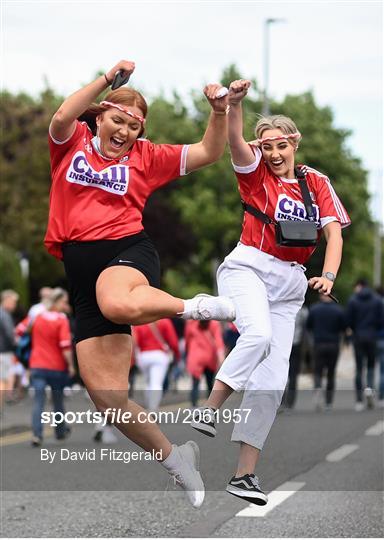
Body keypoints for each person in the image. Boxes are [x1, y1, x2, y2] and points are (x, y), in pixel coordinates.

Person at [44, 58, 235, 508]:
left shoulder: (147, 157)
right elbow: (59, 116)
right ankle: (176, 460)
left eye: (133, 126)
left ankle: (196, 306)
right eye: (116, 119)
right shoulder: (70, 143)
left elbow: (209, 152)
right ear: (99, 117)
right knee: (109, 400)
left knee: (116, 303)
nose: (124, 131)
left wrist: (220, 112)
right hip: (79, 268)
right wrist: (108, 79)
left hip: (125, 251)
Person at [190, 79, 350, 505]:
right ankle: (209, 406)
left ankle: (244, 475)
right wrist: (235, 106)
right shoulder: (255, 173)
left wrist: (328, 276)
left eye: (281, 145)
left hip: (291, 281)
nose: (274, 154)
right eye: (267, 146)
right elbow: (236, 142)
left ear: (294, 143)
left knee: (272, 381)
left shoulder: (315, 181)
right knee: (257, 336)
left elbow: (333, 234)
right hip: (249, 267)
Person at [16, 288, 75, 446]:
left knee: (38, 402)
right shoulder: (61, 319)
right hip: (56, 367)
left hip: (37, 365)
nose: (66, 304)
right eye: (64, 301)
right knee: (58, 401)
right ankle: (60, 431)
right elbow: (65, 346)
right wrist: (71, 365)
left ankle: (37, 434)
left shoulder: (38, 317)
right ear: (57, 302)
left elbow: (20, 331)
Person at [346, 279, 384, 411]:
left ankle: (358, 400)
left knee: (359, 368)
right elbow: (381, 320)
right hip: (372, 337)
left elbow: (348, 320)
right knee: (371, 367)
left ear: (359, 286)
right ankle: (369, 390)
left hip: (358, 337)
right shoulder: (377, 300)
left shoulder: (353, 300)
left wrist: (355, 329)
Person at [306, 294, 346, 411]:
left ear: (320, 296)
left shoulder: (314, 309)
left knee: (318, 371)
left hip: (318, 344)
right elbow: (344, 328)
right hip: (333, 344)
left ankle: (318, 389)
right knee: (331, 374)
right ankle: (328, 402)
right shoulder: (339, 310)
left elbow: (308, 327)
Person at [133, 319, 180, 411]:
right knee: (156, 383)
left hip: (143, 356)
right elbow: (173, 341)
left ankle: (149, 406)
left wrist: (135, 357)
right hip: (159, 355)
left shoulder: (139, 322)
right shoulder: (164, 321)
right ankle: (153, 408)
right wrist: (176, 355)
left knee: (148, 382)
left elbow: (135, 341)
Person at [185, 320, 225, 408]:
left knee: (195, 384)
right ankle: (210, 407)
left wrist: (187, 352)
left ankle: (194, 406)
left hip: (195, 356)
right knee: (209, 383)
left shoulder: (191, 323)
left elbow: (187, 340)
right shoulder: (214, 323)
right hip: (209, 356)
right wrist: (221, 356)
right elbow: (218, 340)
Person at [283, 305, 308, 409]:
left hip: (282, 344)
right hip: (296, 344)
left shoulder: (280, 307)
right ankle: (290, 402)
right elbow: (305, 329)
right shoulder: (303, 311)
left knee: (281, 372)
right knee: (293, 374)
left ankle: (281, 401)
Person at [0, 290, 19, 410]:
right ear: (6, 300)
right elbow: (10, 334)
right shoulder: (4, 314)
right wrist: (17, 341)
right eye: (13, 302)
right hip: (3, 352)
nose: (15, 305)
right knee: (2, 380)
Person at [375, 286, 384, 407]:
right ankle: (382, 396)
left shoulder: (375, 304)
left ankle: (374, 393)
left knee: (377, 368)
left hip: (377, 338)